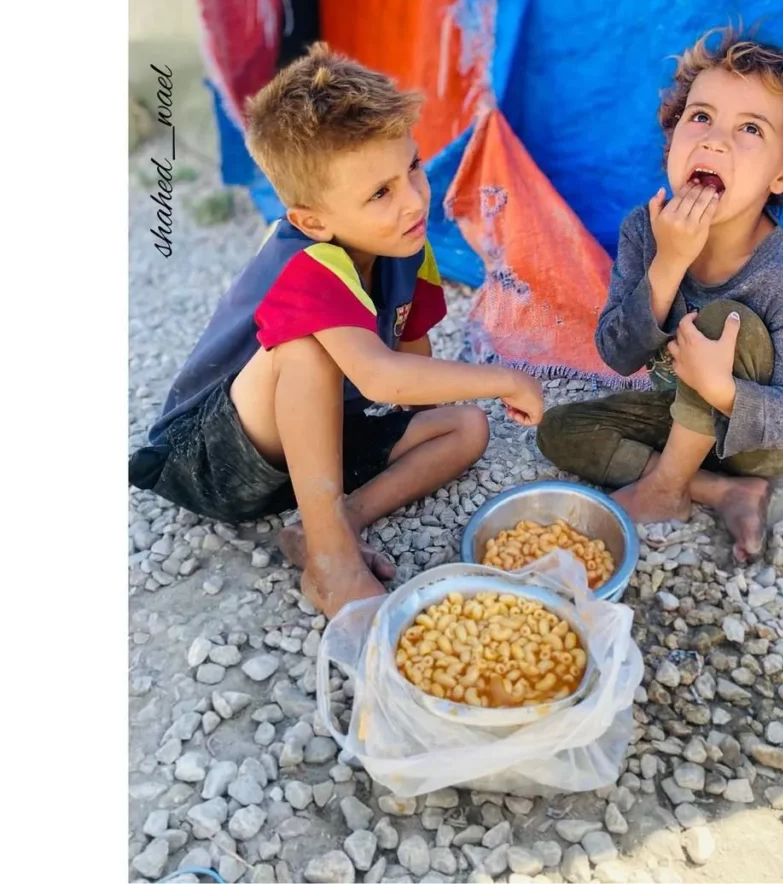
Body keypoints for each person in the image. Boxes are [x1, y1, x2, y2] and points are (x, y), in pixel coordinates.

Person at [129, 44, 544, 616]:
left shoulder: (406, 246)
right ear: (311, 220)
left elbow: (413, 374)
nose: (412, 201)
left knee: (466, 427)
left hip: (310, 451)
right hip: (212, 456)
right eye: (380, 193)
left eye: (413, 169)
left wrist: (420, 426)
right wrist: (506, 379)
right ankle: (331, 563)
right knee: (307, 348)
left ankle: (329, 523)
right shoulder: (306, 262)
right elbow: (382, 378)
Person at [537, 27, 783, 562]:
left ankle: (669, 487)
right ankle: (721, 490)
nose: (714, 140)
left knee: (725, 318)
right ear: (672, 137)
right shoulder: (643, 231)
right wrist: (668, 264)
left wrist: (721, 389)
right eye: (700, 117)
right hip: (678, 413)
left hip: (756, 440)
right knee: (560, 430)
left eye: (750, 128)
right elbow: (618, 352)